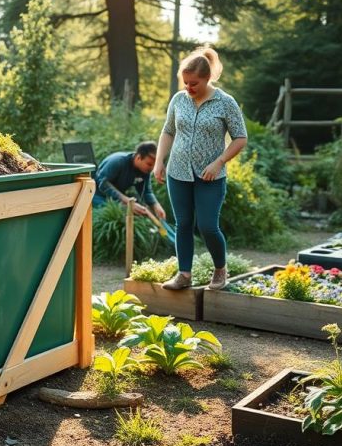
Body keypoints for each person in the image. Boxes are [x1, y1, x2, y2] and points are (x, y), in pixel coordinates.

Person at [154, 46, 247, 291]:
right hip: (178, 171)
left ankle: (220, 270)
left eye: (194, 83)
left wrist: (219, 163)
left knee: (207, 225)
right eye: (185, 82)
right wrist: (159, 161)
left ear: (207, 78)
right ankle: (184, 274)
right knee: (183, 223)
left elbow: (240, 138)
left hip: (210, 176)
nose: (188, 88)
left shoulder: (225, 102)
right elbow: (168, 131)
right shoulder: (178, 100)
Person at [92, 141, 166, 221]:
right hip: (97, 196)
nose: (151, 169)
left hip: (115, 200)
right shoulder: (118, 161)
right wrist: (126, 201)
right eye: (149, 164)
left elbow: (146, 191)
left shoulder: (144, 171)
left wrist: (156, 205)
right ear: (138, 158)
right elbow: (103, 183)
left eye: (154, 166)